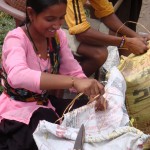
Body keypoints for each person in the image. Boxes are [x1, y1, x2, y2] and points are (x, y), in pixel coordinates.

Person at [0, 0, 105, 149]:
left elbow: (72, 69)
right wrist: (73, 82)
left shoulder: (56, 37)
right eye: (50, 19)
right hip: (18, 111)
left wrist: (90, 91)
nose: (57, 25)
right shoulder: (16, 39)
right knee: (44, 134)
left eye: (61, 17)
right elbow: (17, 75)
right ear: (31, 13)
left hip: (44, 103)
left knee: (92, 110)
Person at [64, 0, 149, 77]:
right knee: (99, 54)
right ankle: (73, 84)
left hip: (69, 19)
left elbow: (106, 14)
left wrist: (136, 37)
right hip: (55, 25)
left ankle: (131, 80)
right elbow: (82, 34)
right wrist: (125, 42)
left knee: (121, 36)